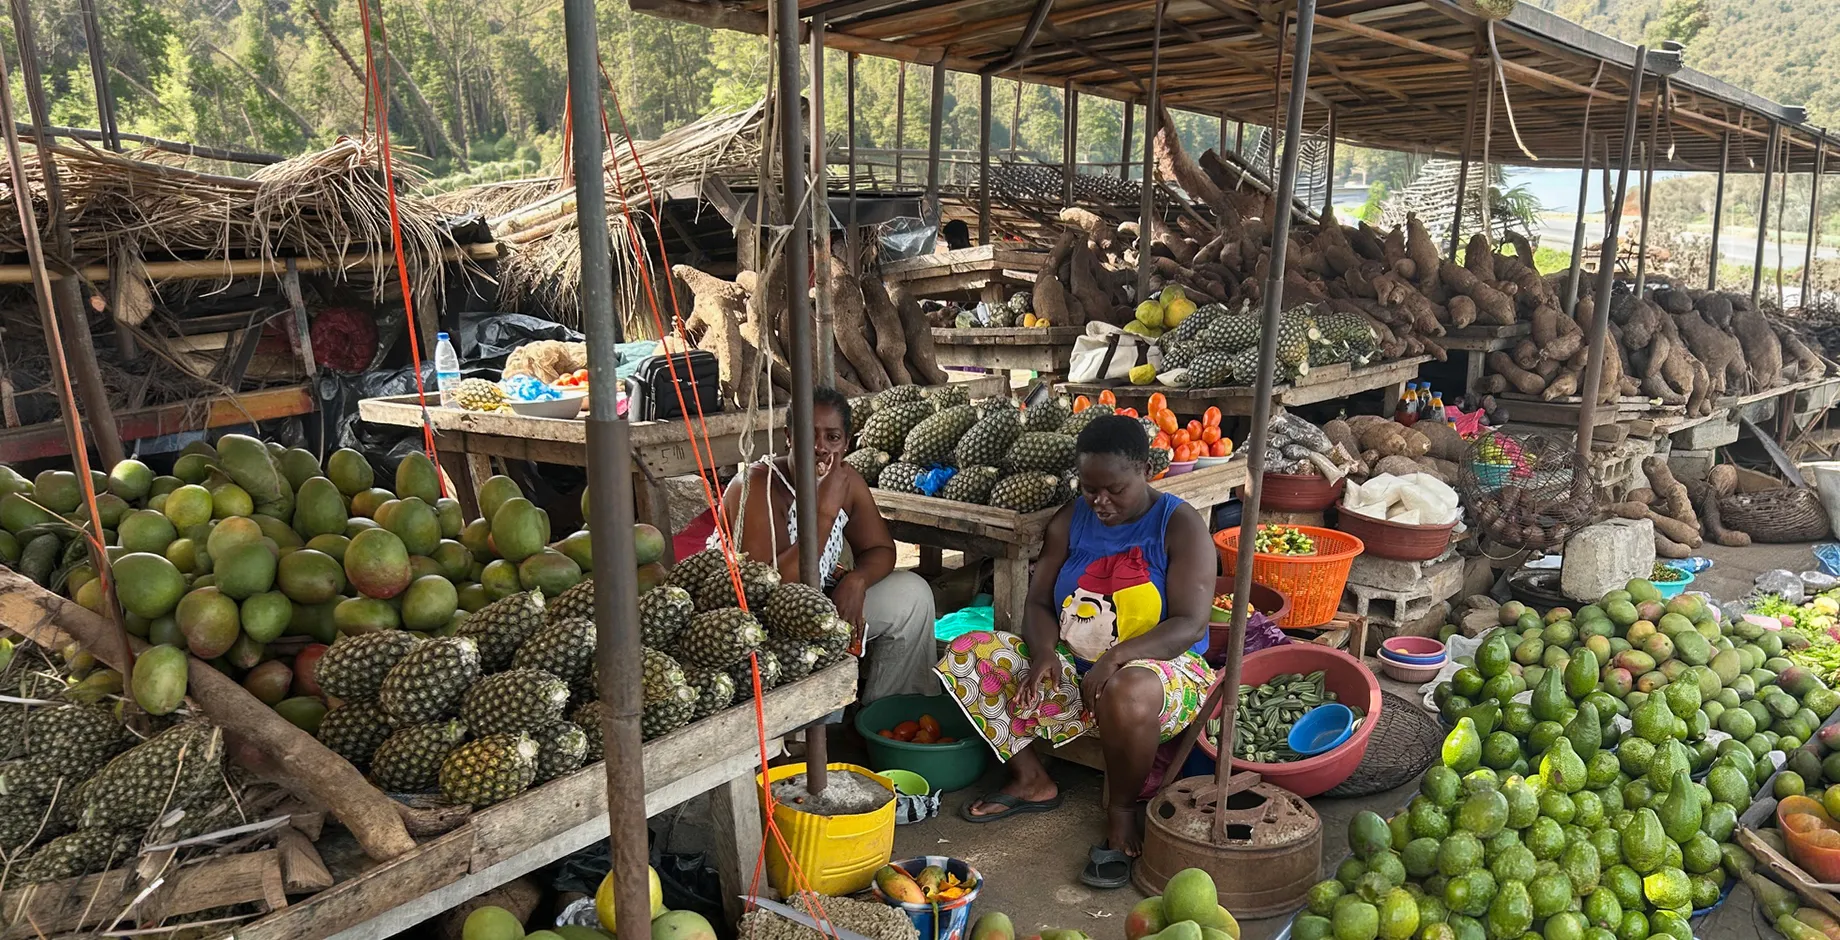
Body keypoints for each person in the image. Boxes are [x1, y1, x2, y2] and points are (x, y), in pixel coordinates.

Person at [936, 415, 1216, 889]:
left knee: (1127, 689)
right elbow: (1040, 600)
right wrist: (1044, 651)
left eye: (1113, 489)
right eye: (1089, 489)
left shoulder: (1178, 524)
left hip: (1161, 674)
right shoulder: (1072, 518)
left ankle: (1122, 810)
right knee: (968, 652)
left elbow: (1190, 624)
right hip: (1074, 671)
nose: (1099, 501)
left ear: (1145, 470)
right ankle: (1031, 780)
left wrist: (1114, 658)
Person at [713, 386, 938, 702]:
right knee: (818, 633)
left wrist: (858, 580)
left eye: (832, 438)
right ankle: (815, 734)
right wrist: (825, 512)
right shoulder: (757, 485)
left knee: (913, 597)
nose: (820, 448)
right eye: (809, 435)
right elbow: (766, 591)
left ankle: (891, 711)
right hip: (757, 624)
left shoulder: (846, 480)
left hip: (819, 599)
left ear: (847, 442)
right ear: (789, 436)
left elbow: (881, 550)